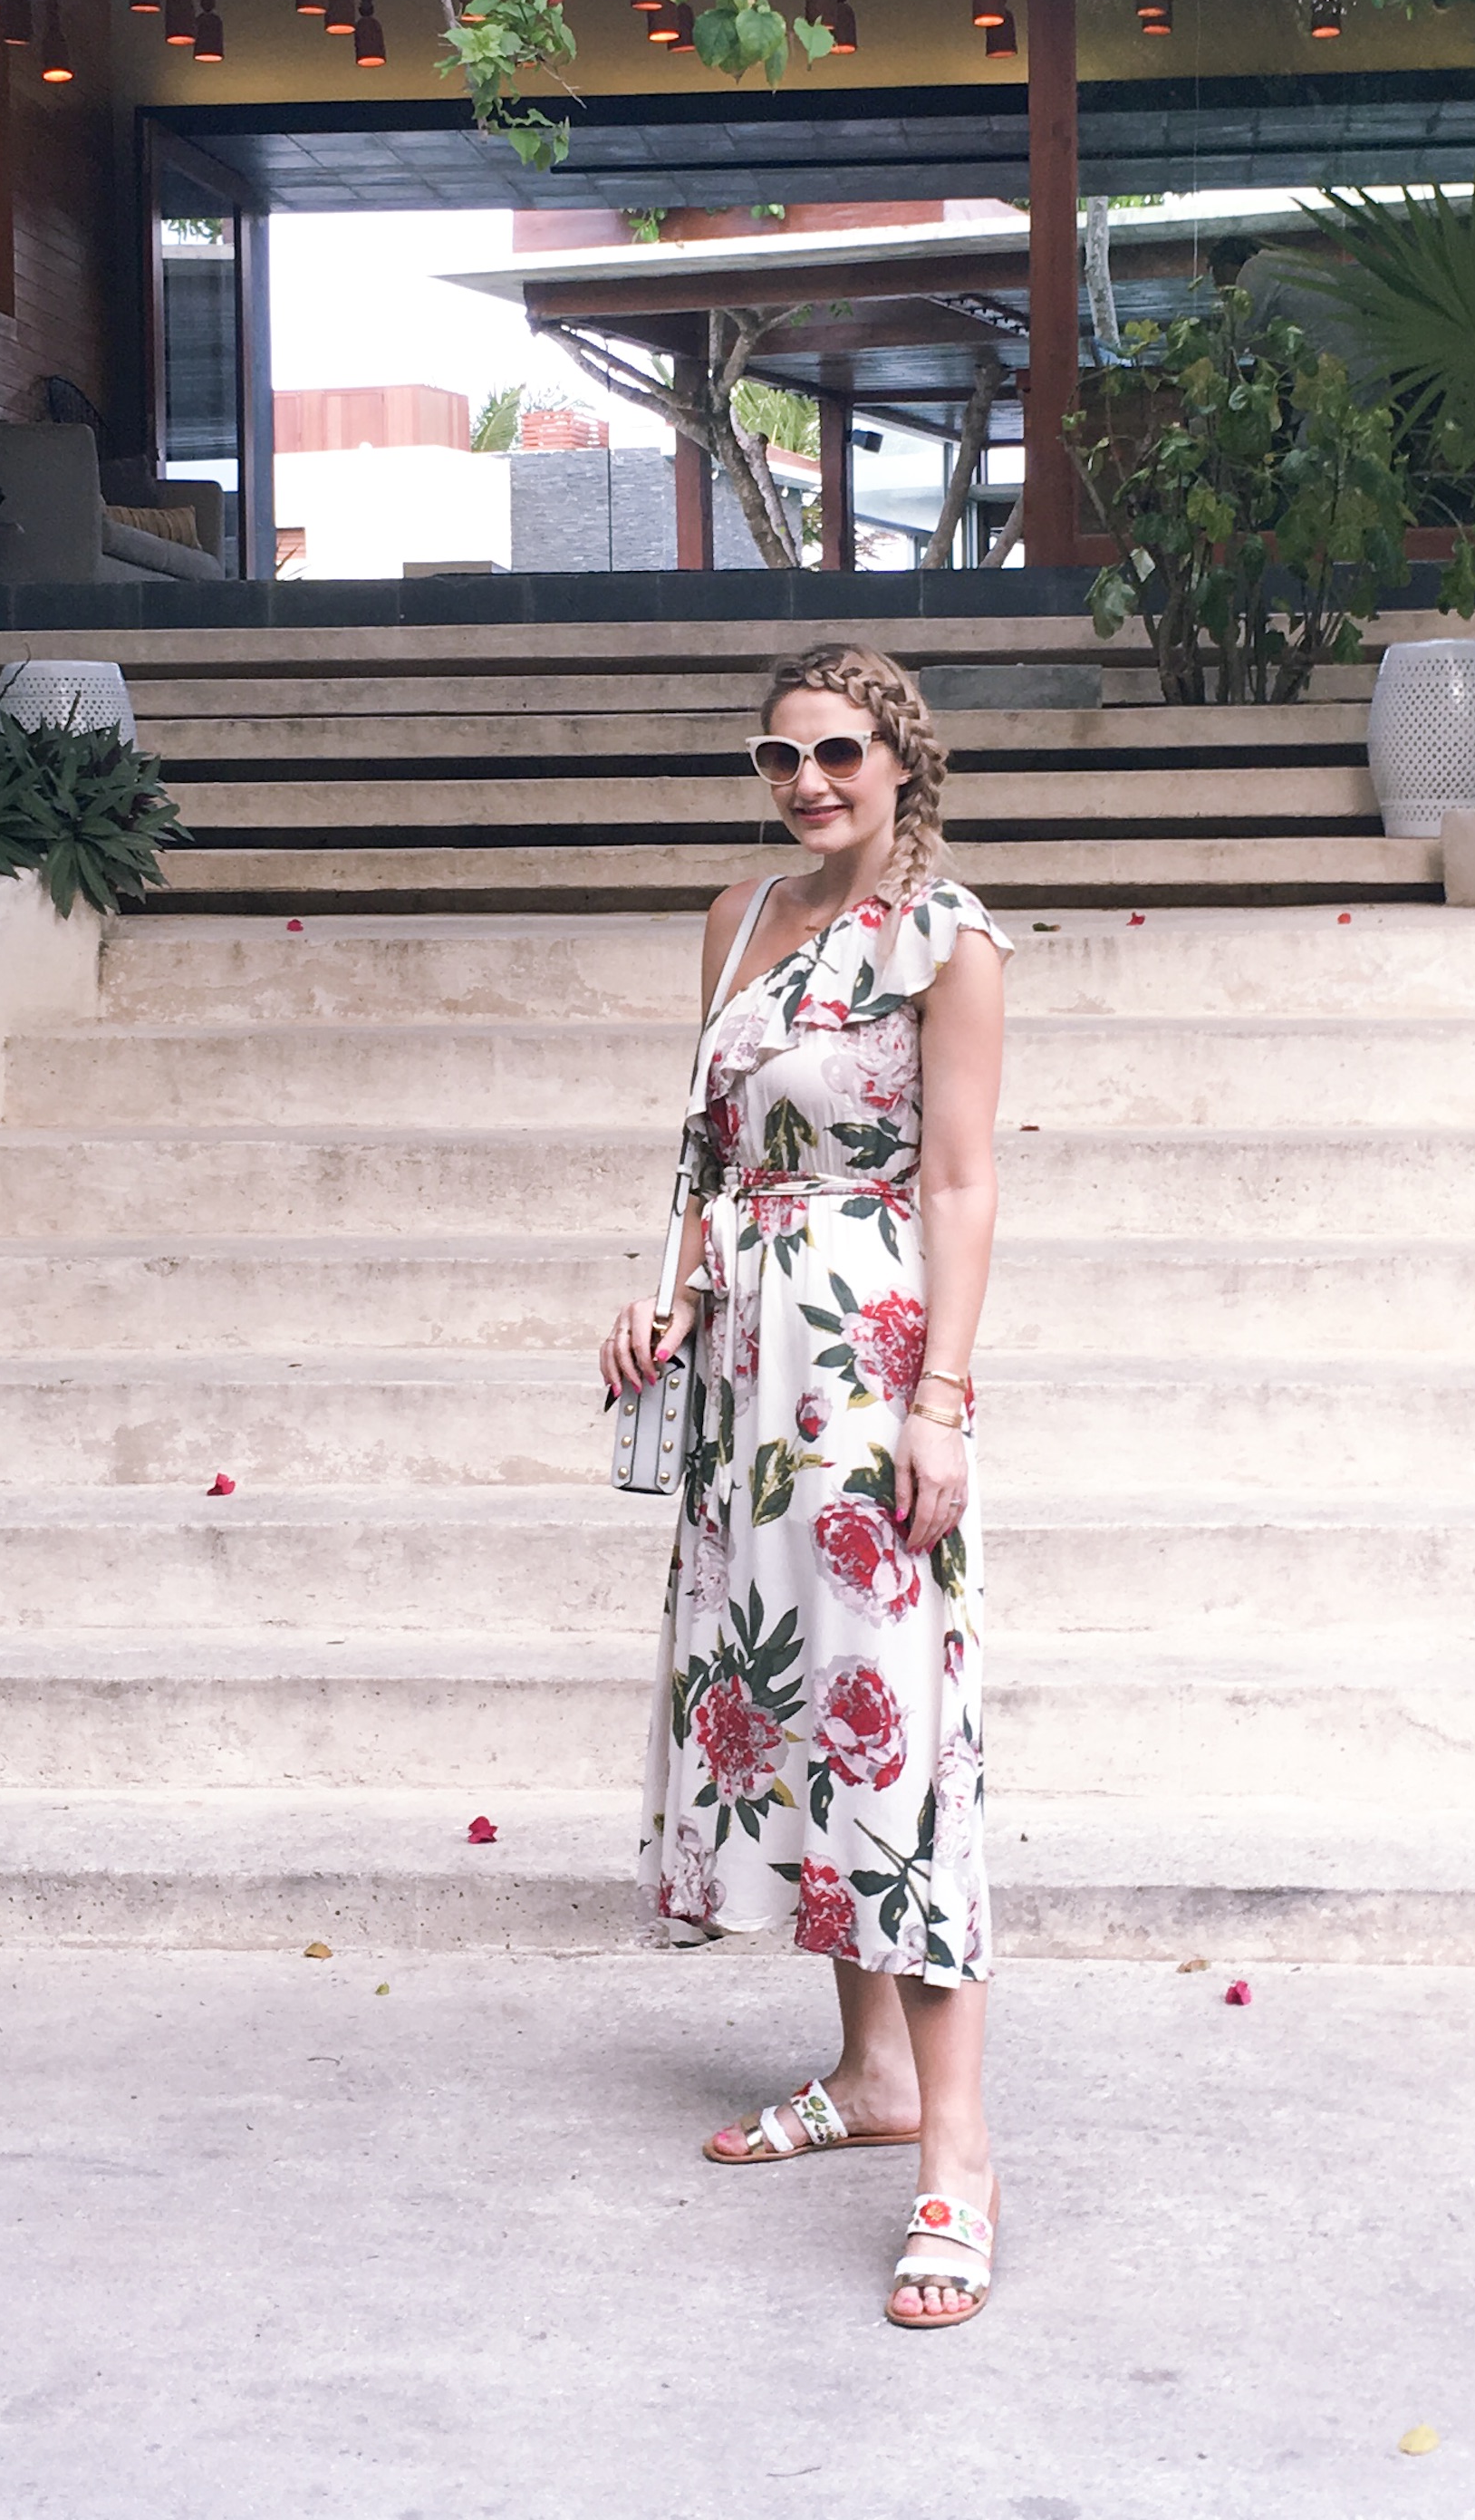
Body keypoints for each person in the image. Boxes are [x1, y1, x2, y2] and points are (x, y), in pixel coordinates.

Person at [600, 642, 1009, 2331]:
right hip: (737, 1370)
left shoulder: (948, 940)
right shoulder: (737, 917)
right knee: (790, 1708)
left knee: (888, 1723)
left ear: (901, 760)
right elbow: (702, 1157)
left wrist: (942, 1403)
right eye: (778, 756)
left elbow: (969, 1181)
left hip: (861, 1358)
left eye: (837, 751)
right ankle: (867, 2072)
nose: (807, 782)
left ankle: (959, 2157)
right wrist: (662, 1292)